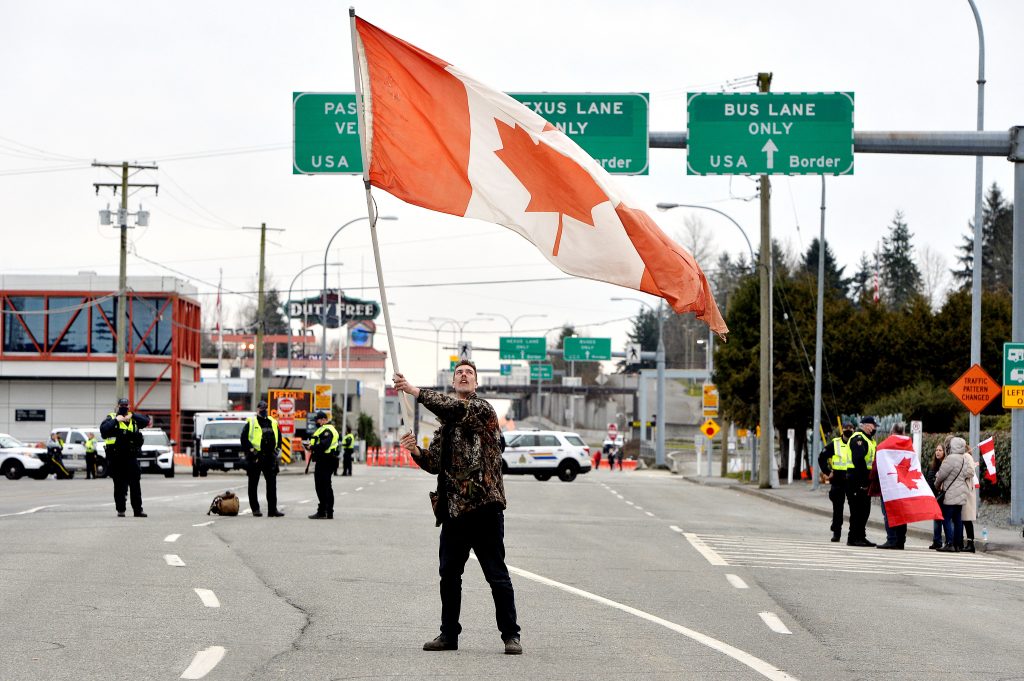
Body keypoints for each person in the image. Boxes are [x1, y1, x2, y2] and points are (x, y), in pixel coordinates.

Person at [395, 360, 522, 656]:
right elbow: (434, 464)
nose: (464, 376)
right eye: (459, 373)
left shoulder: (481, 410)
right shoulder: (445, 429)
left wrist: (414, 390)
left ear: (475, 384)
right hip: (454, 511)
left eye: (469, 373)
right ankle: (448, 635)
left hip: (484, 508)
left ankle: (511, 635)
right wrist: (415, 451)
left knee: (496, 575)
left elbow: (455, 409)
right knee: (449, 575)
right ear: (453, 382)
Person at [100, 398, 151, 517]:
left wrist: (132, 415)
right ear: (117, 406)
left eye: (126, 406)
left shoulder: (133, 419)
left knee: (135, 484)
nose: (124, 407)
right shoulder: (111, 418)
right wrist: (116, 420)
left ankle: (138, 510)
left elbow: (146, 421)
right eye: (122, 405)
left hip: (131, 457)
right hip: (116, 458)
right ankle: (121, 509)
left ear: (129, 407)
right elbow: (103, 431)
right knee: (119, 485)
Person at [240, 400, 284, 518]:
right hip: (256, 457)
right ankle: (255, 509)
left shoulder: (273, 422)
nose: (264, 411)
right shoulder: (252, 422)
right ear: (257, 409)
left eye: (265, 409)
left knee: (272, 484)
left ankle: (272, 510)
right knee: (253, 484)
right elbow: (244, 439)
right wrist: (252, 451)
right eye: (262, 409)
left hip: (270, 457)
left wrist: (277, 449)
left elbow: (279, 437)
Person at [871, 423, 908, 550]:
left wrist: (872, 480)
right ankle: (901, 541)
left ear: (891, 433)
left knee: (888, 513)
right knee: (902, 514)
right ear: (903, 432)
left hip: (888, 486)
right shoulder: (909, 447)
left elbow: (876, 467)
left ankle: (891, 539)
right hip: (903, 485)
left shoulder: (883, 447)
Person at [935, 436, 973, 552]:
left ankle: (949, 543)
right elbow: (968, 473)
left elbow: (941, 475)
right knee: (958, 520)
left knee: (946, 518)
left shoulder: (950, 459)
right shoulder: (965, 458)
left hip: (950, 494)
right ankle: (957, 544)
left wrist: (937, 485)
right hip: (961, 493)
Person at [817, 422, 854, 542]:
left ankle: (854, 534)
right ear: (842, 430)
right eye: (846, 428)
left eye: (851, 428)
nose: (848, 430)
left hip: (852, 478)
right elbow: (821, 457)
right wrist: (827, 472)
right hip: (838, 478)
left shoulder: (856, 442)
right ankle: (836, 533)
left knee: (854, 508)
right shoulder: (835, 443)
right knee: (838, 508)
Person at [846, 416, 878, 547]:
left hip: (865, 479)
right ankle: (853, 538)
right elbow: (859, 461)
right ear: (865, 425)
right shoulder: (858, 439)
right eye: (872, 425)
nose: (874, 428)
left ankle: (861, 536)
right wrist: (864, 482)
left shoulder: (869, 440)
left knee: (865, 510)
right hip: (856, 479)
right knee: (857, 510)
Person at [307, 411, 340, 519]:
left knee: (325, 486)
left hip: (327, 460)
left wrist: (312, 447)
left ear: (323, 420)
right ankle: (323, 510)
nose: (316, 422)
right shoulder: (322, 429)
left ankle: (327, 511)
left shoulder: (328, 430)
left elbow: (324, 445)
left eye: (317, 420)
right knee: (321, 486)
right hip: (323, 460)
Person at [924, 441, 948, 550]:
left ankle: (948, 541)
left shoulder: (946, 464)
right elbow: (928, 479)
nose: (937, 452)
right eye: (936, 450)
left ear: (944, 452)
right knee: (936, 519)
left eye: (940, 450)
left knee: (945, 519)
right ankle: (937, 541)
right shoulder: (932, 465)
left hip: (943, 496)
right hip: (934, 496)